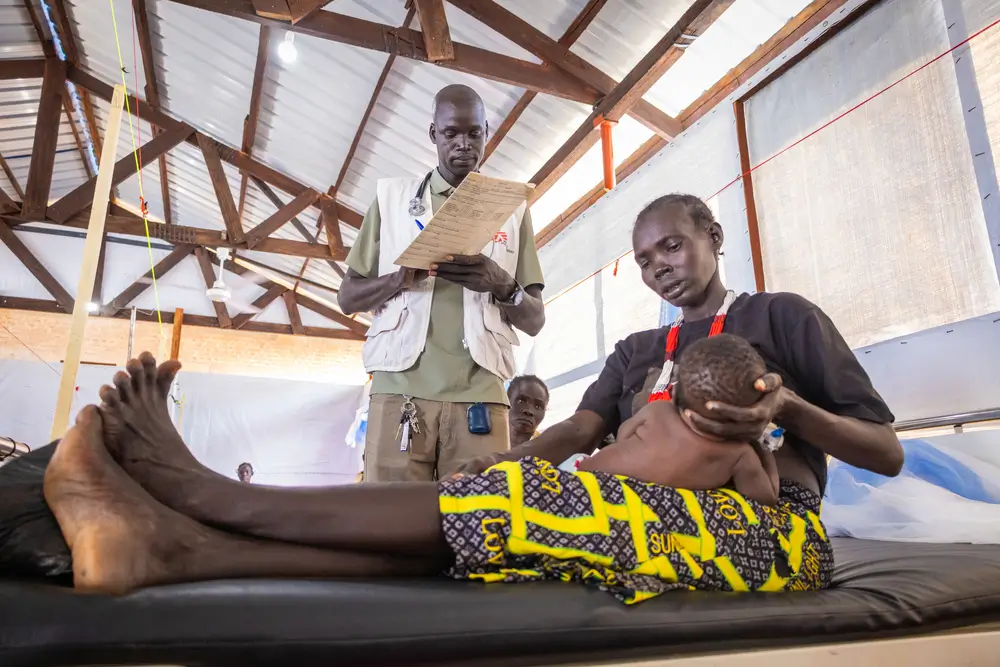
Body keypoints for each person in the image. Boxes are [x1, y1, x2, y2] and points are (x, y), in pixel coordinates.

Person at [40, 193, 903, 603]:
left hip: (765, 531)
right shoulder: (639, 349)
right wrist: (502, 472)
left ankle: (202, 495)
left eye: (672, 246)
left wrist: (783, 409)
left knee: (548, 497)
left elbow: (884, 449)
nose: (658, 266)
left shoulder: (780, 319)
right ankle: (171, 550)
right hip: (638, 506)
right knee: (506, 506)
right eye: (643, 259)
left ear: (712, 237)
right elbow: (576, 429)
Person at [337, 84, 546, 483]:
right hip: (400, 388)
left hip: (480, 394)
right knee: (393, 519)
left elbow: (534, 320)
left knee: (475, 520)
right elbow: (348, 297)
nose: (464, 145)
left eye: (474, 133)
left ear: (487, 131)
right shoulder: (392, 200)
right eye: (451, 134)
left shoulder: (512, 210)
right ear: (434, 134)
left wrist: (500, 282)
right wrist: (400, 277)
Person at [580, 334, 780, 505]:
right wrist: (763, 445)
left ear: (674, 393)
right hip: (645, 510)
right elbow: (766, 498)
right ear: (754, 413)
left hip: (588, 481)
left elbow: (624, 434)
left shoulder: (657, 411)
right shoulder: (740, 454)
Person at [506, 375, 548, 446]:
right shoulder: (484, 437)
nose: (529, 411)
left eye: (538, 406)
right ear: (507, 401)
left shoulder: (545, 450)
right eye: (521, 401)